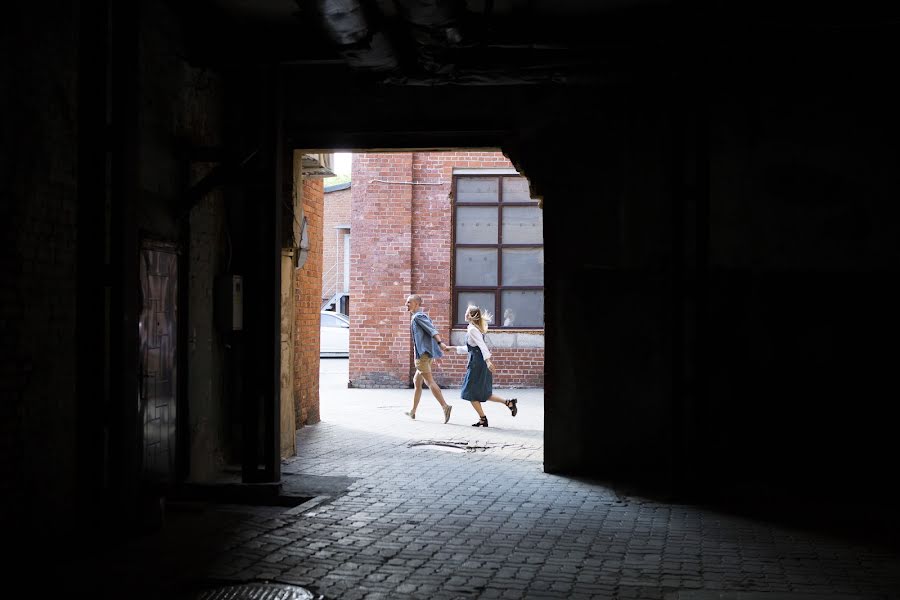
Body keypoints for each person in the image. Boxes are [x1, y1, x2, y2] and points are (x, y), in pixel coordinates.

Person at [442, 305, 517, 427]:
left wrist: (488, 361)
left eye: (466, 313)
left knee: (470, 392)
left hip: (478, 363)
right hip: (477, 361)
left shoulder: (472, 329)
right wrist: (452, 348)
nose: (464, 314)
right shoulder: (473, 328)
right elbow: (471, 348)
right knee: (482, 393)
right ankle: (509, 403)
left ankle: (483, 419)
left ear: (471, 316)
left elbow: (482, 346)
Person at [405, 294, 453, 423]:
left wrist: (440, 343)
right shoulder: (420, 316)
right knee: (417, 382)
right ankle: (413, 411)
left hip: (422, 356)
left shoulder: (418, 317)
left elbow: (432, 330)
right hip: (426, 354)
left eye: (409, 302)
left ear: (416, 304)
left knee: (429, 381)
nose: (406, 304)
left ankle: (445, 406)